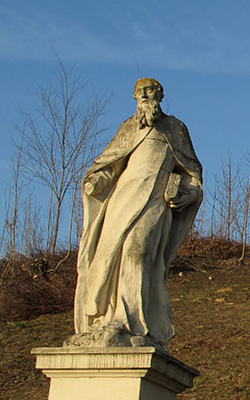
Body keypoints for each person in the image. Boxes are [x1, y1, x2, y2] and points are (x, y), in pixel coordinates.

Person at [70, 77, 203, 352]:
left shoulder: (175, 129)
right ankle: (108, 319)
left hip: (155, 202)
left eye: (150, 89)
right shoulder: (128, 128)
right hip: (122, 202)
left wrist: (185, 193)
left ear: (160, 95)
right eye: (139, 91)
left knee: (137, 251)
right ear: (134, 97)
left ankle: (132, 324)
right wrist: (96, 182)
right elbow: (110, 164)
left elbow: (193, 177)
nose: (144, 94)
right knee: (110, 258)